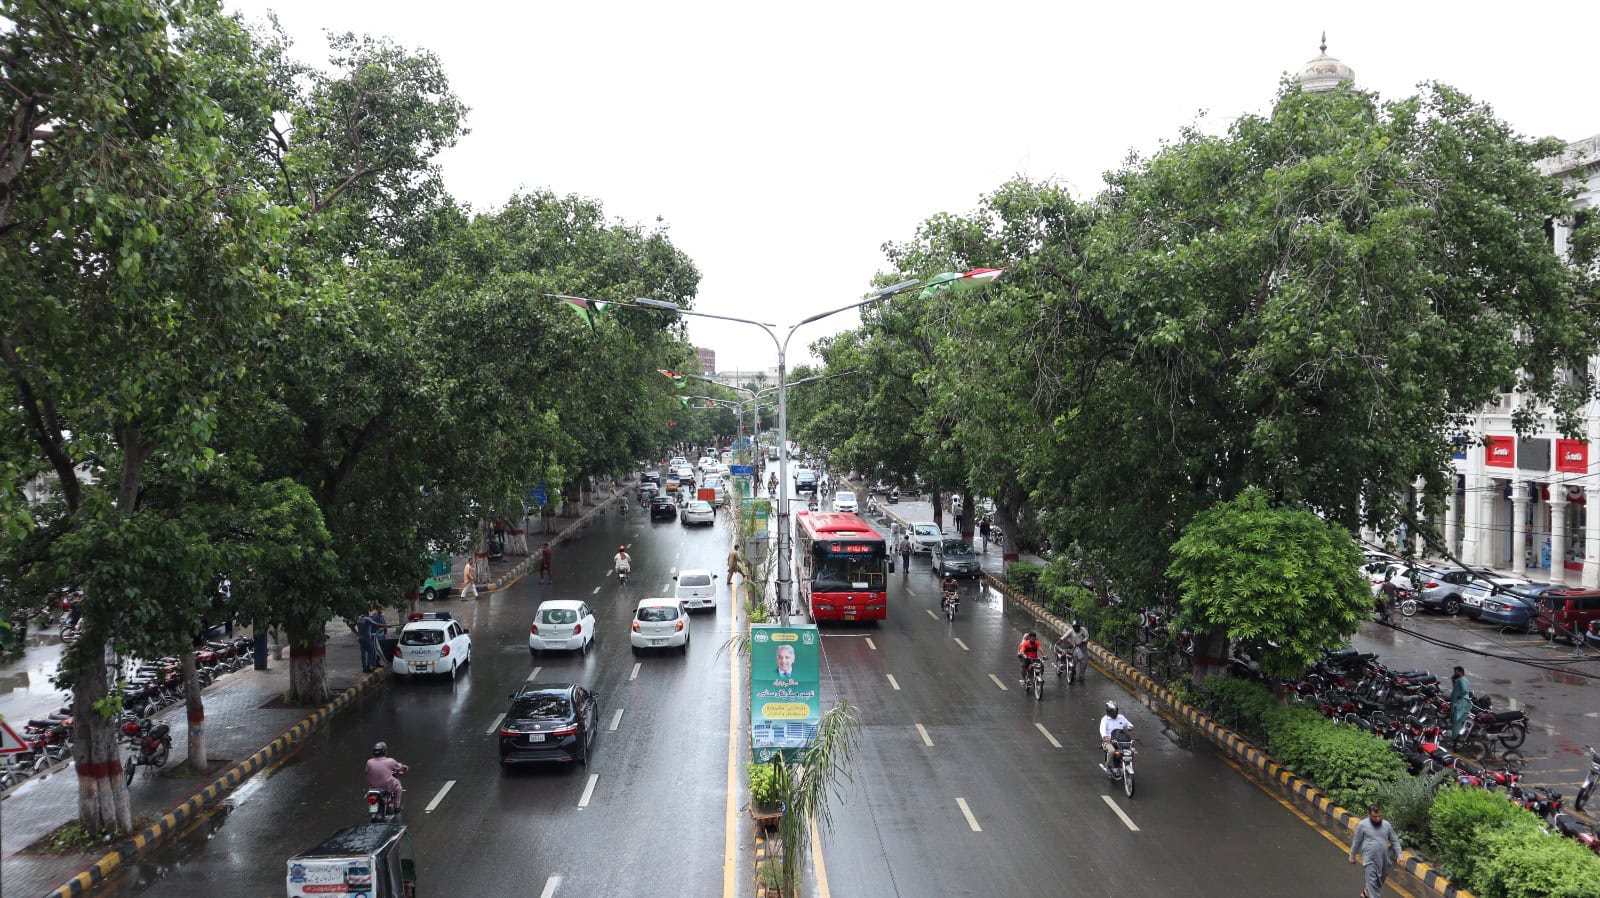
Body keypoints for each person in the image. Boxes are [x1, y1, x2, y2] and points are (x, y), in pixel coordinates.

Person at [1349, 804, 1402, 898]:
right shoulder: (1362, 825)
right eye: (1375, 817)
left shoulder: (1386, 825)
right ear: (1369, 815)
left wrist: (1400, 855)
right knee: (1373, 885)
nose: (1378, 819)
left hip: (1383, 859)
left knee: (1380, 880)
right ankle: (1371, 893)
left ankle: (1367, 891)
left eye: (1379, 816)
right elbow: (1357, 841)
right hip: (1369, 859)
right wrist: (1352, 855)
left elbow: (1394, 840)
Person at [365, 742, 408, 811]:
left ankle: (373, 809)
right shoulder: (390, 761)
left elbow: (367, 771)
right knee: (398, 787)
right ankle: (397, 806)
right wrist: (405, 767)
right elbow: (400, 767)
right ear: (384, 751)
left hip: (373, 787)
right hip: (387, 786)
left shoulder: (369, 762)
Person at [1099, 701, 1134, 771]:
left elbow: (1129, 724)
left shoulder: (1121, 717)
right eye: (1112, 711)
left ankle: (1126, 764)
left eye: (1116, 711)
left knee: (1131, 750)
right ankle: (1107, 765)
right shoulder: (1104, 720)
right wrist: (1106, 738)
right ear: (1108, 712)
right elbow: (1102, 731)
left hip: (1120, 741)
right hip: (1109, 741)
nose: (1115, 713)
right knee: (1112, 750)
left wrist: (1130, 727)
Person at [356, 609, 389, 673]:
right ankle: (368, 667)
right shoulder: (367, 619)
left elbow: (352, 626)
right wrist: (387, 626)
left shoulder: (358, 619)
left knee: (363, 654)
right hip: (367, 639)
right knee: (370, 652)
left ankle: (364, 668)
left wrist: (357, 634)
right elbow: (376, 624)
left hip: (360, 638)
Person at [1449, 666, 1471, 745]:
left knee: (1456, 722)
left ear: (1460, 672)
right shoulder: (1462, 680)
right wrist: (1453, 680)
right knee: (1459, 722)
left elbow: (1464, 690)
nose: (1454, 673)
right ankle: (1457, 739)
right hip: (1461, 703)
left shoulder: (1462, 680)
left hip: (1459, 704)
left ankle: (1455, 740)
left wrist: (1459, 696)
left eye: (1456, 672)